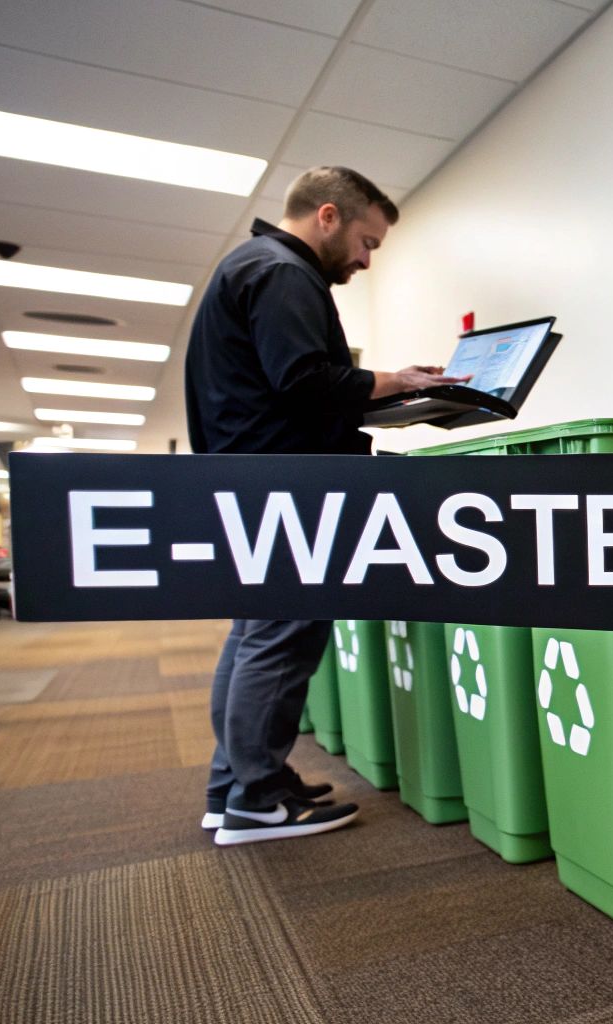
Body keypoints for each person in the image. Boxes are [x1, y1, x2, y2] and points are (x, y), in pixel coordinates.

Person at [185, 166, 466, 846]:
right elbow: (304, 381)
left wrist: (385, 389)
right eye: (367, 242)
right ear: (330, 216)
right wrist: (393, 381)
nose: (368, 260)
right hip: (286, 485)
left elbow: (291, 383)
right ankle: (257, 798)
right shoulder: (282, 270)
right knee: (280, 637)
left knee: (255, 635)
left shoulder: (253, 265)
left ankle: (238, 787)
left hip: (255, 481)